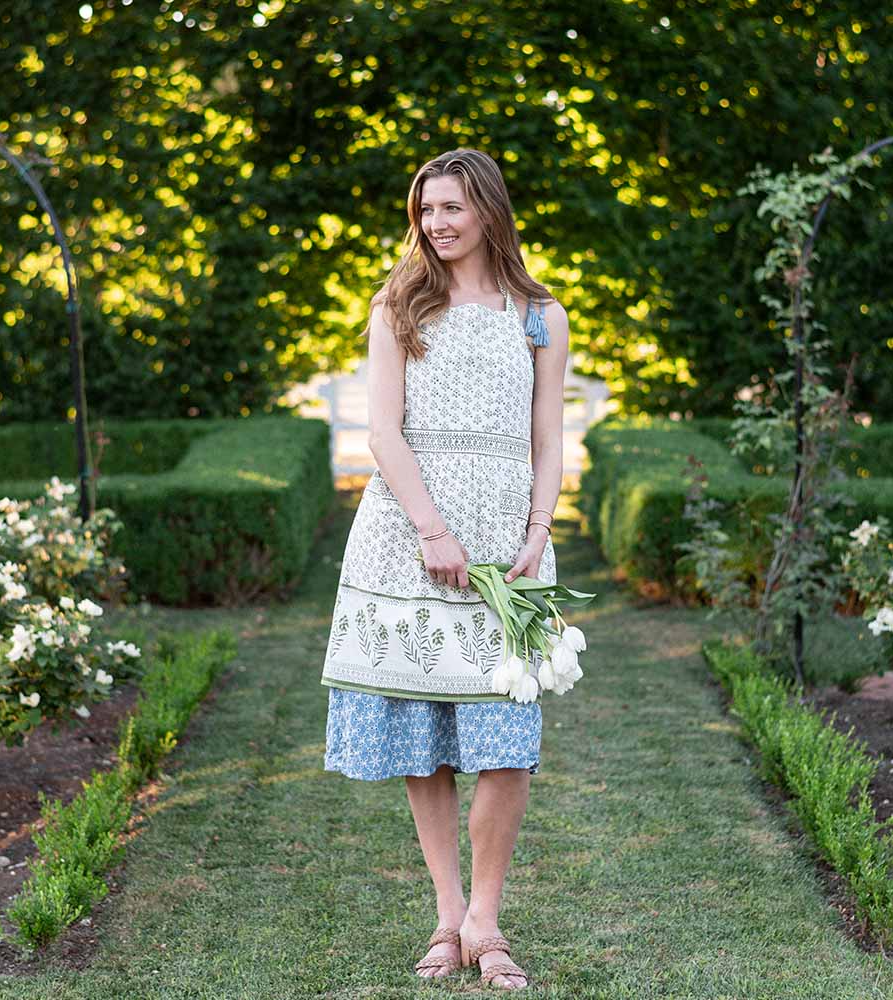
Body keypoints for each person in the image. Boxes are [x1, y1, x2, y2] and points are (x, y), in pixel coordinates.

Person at [320, 148, 568, 990]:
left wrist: (538, 532)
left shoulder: (538, 314)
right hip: (408, 536)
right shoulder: (397, 306)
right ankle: (446, 915)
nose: (438, 224)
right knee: (425, 740)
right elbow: (382, 434)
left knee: (505, 739)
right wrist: (432, 530)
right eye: (427, 210)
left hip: (508, 545)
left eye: (453, 208)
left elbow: (547, 439)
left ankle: (487, 923)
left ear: (490, 210)